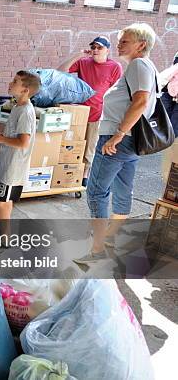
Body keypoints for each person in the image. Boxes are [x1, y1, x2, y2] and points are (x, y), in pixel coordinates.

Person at [75, 23, 159, 264]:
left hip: (118, 140)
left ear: (141, 45)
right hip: (131, 141)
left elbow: (141, 101)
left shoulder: (138, 64)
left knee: (96, 192)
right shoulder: (147, 67)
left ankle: (97, 250)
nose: (119, 44)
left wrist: (118, 134)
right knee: (123, 188)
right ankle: (110, 238)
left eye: (125, 41)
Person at [58, 35, 123, 186]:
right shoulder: (83, 62)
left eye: (99, 47)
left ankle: (85, 175)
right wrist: (79, 54)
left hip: (98, 112)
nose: (95, 50)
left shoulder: (114, 67)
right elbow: (61, 71)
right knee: (72, 143)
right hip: (80, 111)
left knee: (90, 146)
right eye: (93, 47)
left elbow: (116, 91)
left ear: (107, 50)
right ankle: (66, 172)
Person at [0, 71, 40, 232]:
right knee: (5, 200)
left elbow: (23, 142)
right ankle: (4, 231)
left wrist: (1, 140)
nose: (11, 83)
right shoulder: (17, 106)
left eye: (15, 81)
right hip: (7, 162)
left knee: (0, 202)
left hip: (14, 167)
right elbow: (15, 134)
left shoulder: (26, 111)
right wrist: (2, 136)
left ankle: (4, 236)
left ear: (25, 90)